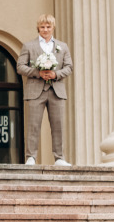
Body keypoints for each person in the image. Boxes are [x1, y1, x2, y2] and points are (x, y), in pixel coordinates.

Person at [17, 14, 73, 166]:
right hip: (36, 90)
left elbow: (69, 67)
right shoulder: (29, 46)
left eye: (48, 27)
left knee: (58, 125)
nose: (45, 30)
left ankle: (59, 158)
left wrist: (56, 74)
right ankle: (31, 158)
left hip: (56, 90)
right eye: (42, 27)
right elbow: (20, 66)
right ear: (38, 28)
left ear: (53, 27)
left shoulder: (63, 46)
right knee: (33, 125)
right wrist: (37, 72)